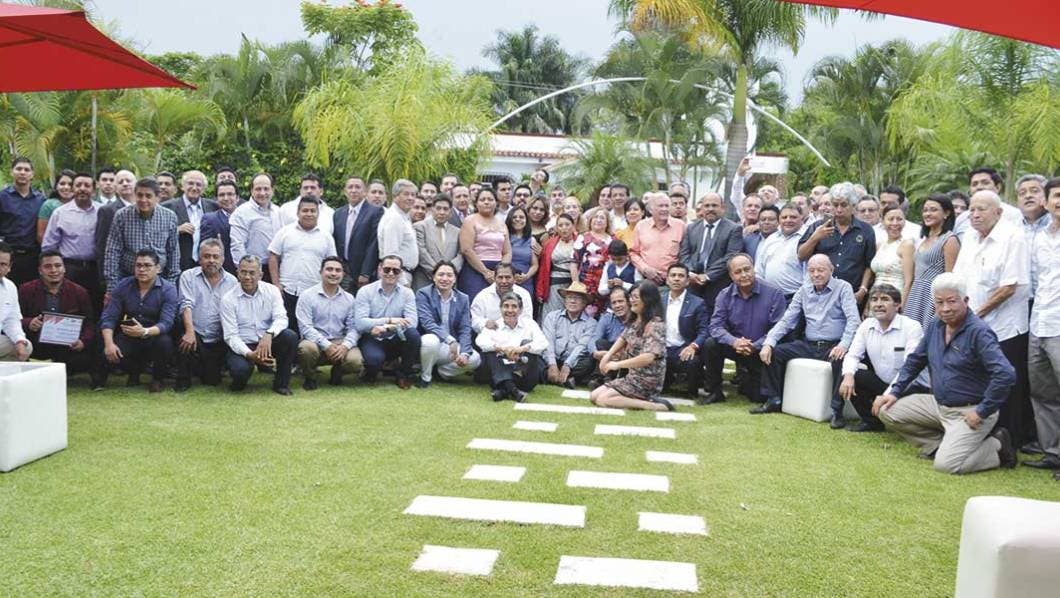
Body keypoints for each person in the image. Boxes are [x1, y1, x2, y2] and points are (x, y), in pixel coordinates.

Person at [874, 273, 1017, 474]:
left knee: (947, 466)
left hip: (969, 411)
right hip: (939, 405)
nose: (945, 308)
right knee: (887, 410)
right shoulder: (936, 324)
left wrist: (982, 411)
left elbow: (1006, 374)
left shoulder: (979, 332)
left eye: (952, 301)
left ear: (965, 301)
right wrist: (894, 392)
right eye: (939, 302)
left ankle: (997, 446)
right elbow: (915, 360)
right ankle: (937, 446)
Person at [953, 189, 1033, 450]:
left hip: (1004, 327)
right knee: (979, 380)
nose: (975, 214)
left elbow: (1009, 287)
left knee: (1005, 382)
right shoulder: (969, 237)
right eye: (972, 209)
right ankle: (983, 436)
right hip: (973, 324)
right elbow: (959, 278)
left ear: (998, 212)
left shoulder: (1013, 237)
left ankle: (1010, 441)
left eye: (982, 209)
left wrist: (975, 315)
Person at [755, 255, 861, 427]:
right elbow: (787, 320)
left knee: (841, 359)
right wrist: (769, 342)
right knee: (774, 352)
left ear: (831, 270)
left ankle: (837, 410)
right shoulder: (803, 290)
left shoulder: (843, 287)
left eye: (821, 270)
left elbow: (853, 320)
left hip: (833, 345)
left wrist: (843, 345)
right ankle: (773, 399)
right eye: (812, 270)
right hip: (808, 345)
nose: (816, 274)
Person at [838, 284, 927, 432]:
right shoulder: (866, 325)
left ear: (897, 305)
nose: (878, 304)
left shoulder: (912, 327)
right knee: (852, 375)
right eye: (874, 299)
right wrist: (848, 376)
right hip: (883, 383)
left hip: (908, 387)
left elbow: (909, 369)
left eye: (885, 299)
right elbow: (852, 355)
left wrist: (888, 395)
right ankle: (872, 423)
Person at [702, 254, 786, 405]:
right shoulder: (724, 295)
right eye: (738, 272)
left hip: (761, 350)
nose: (744, 275)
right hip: (735, 346)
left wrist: (756, 345)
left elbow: (778, 328)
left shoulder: (774, 293)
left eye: (747, 269)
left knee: (757, 397)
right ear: (731, 275)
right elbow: (715, 326)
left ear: (754, 269)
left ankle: (746, 380)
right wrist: (734, 342)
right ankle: (715, 391)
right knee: (710, 344)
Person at [99, 249, 178, 392]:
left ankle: (158, 379)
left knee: (165, 343)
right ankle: (131, 372)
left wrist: (144, 331)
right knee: (105, 343)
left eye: (147, 265)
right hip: (129, 334)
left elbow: (166, 323)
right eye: (138, 265)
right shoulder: (123, 285)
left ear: (158, 268)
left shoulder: (168, 289)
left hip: (154, 334)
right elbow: (109, 317)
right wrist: (109, 344)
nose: (142, 269)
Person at [220, 255, 299, 395]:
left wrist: (269, 334)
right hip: (244, 344)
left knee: (290, 336)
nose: (247, 277)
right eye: (243, 272)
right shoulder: (228, 299)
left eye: (252, 273)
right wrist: (250, 354)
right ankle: (241, 378)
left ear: (261, 275)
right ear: (237, 273)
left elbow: (281, 318)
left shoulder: (272, 291)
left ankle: (281, 384)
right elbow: (231, 336)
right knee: (240, 371)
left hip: (267, 341)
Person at [591, 280, 674, 411]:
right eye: (631, 297)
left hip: (647, 380)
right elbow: (623, 338)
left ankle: (654, 406)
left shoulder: (656, 325)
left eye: (636, 297)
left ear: (647, 299)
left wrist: (617, 365)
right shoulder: (635, 320)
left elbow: (648, 357)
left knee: (603, 400)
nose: (632, 300)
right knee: (594, 396)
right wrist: (607, 356)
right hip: (632, 377)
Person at [1027, 177, 1060, 473]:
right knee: (1043, 393)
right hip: (1039, 323)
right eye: (1056, 196)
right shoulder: (1039, 238)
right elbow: (1036, 282)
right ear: (1046, 202)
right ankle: (1052, 452)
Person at [18, 251, 95, 377]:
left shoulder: (79, 292)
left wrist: (83, 341)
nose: (54, 270)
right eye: (48, 266)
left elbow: (89, 323)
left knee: (84, 358)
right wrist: (29, 322)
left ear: (64, 268)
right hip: (36, 342)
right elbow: (14, 319)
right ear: (40, 270)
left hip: (67, 347)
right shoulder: (25, 290)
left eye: (58, 266)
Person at [175, 239, 238, 392]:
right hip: (194, 331)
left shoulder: (232, 281)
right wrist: (189, 332)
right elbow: (186, 305)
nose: (211, 260)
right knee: (183, 337)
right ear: (199, 258)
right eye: (206, 256)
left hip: (218, 338)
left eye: (216, 256)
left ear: (223, 259)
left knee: (212, 381)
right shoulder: (188, 276)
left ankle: (204, 368)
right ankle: (183, 379)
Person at [798, 182, 876, 305]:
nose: (839, 209)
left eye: (844, 205)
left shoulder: (865, 230)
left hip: (852, 295)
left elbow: (869, 264)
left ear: (853, 206)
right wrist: (815, 238)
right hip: (820, 295)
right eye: (835, 205)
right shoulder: (818, 227)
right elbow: (801, 256)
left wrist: (863, 289)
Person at [268, 197, 337, 331]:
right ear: (298, 212)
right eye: (305, 210)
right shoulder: (285, 232)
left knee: (311, 331)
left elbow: (332, 263)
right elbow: (273, 256)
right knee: (287, 331)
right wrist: (276, 284)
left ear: (318, 213)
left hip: (314, 293)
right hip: (287, 291)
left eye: (313, 211)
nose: (309, 214)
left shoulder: (326, 237)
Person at [295, 256, 363, 390]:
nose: (333, 273)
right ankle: (310, 377)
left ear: (343, 274)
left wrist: (345, 346)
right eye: (329, 269)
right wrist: (327, 345)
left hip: (340, 341)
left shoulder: (349, 299)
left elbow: (354, 327)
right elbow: (305, 327)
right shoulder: (307, 296)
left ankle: (338, 371)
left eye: (338, 270)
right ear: (321, 272)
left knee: (356, 361)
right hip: (315, 342)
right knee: (306, 349)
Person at [103, 177, 180, 293]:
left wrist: (171, 283)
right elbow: (113, 251)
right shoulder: (122, 216)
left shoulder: (169, 217)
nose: (143, 200)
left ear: (157, 197)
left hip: (160, 279)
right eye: (140, 195)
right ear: (135, 195)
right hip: (128, 278)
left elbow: (173, 251)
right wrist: (112, 287)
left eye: (148, 196)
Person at [354, 255, 421, 389]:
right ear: (379, 269)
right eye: (387, 269)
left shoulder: (407, 293)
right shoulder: (365, 291)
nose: (391, 273)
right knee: (374, 360)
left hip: (396, 336)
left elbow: (412, 322)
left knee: (413, 335)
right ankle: (371, 371)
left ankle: (403, 374)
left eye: (395, 270)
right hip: (372, 337)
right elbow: (360, 323)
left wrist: (387, 327)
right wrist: (389, 320)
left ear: (400, 273)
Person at [415, 261, 480, 388]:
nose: (445, 279)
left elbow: (465, 328)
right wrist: (450, 340)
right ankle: (425, 377)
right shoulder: (423, 294)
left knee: (475, 358)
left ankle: (441, 372)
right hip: (429, 346)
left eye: (449, 275)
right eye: (441, 275)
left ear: (455, 279)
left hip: (450, 349)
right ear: (433, 277)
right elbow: (428, 323)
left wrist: (464, 353)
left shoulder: (463, 298)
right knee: (430, 340)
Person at [476, 291, 548, 402]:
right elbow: (480, 341)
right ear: (500, 309)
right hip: (500, 369)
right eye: (506, 306)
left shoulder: (530, 324)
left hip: (524, 375)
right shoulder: (494, 325)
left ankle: (503, 390)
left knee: (529, 345)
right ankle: (513, 391)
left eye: (514, 306)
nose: (510, 310)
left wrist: (521, 349)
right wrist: (502, 349)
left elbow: (543, 342)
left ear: (521, 310)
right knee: (489, 352)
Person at [680, 191, 743, 313]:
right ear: (702, 208)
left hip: (718, 286)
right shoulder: (691, 228)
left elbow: (731, 257)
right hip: (693, 285)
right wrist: (691, 273)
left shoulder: (733, 229)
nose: (710, 209)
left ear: (723, 208)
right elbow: (684, 254)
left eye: (714, 205)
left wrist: (707, 276)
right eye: (707, 206)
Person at [41, 172, 100, 301]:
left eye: (87, 185)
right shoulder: (60, 213)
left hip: (95, 269)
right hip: (69, 268)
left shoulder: (102, 211)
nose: (82, 188)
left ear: (94, 190)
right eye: (78, 185)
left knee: (95, 305)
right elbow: (49, 245)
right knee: (69, 305)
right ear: (73, 188)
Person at [904, 194, 960, 327]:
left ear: (946, 213)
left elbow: (950, 278)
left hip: (933, 297)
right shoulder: (923, 239)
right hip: (916, 294)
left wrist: (942, 306)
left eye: (933, 210)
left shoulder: (949, 240)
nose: (928, 214)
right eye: (925, 210)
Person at [660, 263, 709, 399]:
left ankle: (691, 390)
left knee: (693, 361)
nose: (676, 279)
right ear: (667, 280)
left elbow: (704, 330)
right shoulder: (659, 301)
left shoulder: (697, 303)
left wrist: (693, 346)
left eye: (681, 276)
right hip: (661, 348)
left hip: (683, 349)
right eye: (673, 275)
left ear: (687, 281)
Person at [229, 173, 284, 282]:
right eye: (258, 189)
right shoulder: (241, 213)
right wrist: (245, 272)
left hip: (276, 270)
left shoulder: (278, 211)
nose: (262, 193)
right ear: (252, 191)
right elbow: (237, 246)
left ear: (272, 190)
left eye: (266, 189)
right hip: (252, 270)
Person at [457, 188, 511, 300]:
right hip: (475, 269)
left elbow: (507, 252)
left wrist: (501, 271)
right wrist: (485, 272)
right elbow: (466, 249)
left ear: (496, 202)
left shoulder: (502, 223)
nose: (486, 202)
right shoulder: (470, 220)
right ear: (476, 203)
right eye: (482, 199)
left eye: (490, 199)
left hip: (498, 270)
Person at [333, 175, 383, 294]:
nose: (354, 190)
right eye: (350, 187)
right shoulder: (338, 213)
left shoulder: (375, 212)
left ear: (365, 191)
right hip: (343, 270)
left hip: (362, 272)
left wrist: (365, 273)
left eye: (357, 187)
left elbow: (373, 244)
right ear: (345, 191)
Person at [0, 157, 46, 286]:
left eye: (26, 170)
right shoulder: (2, 197)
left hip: (32, 257)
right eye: (19, 169)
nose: (22, 172)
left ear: (32, 174)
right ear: (12, 172)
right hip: (7, 256)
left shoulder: (41, 200)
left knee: (30, 292)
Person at [541, 282, 596, 389]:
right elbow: (548, 342)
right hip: (553, 358)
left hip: (574, 362)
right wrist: (552, 364)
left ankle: (554, 377)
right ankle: (566, 379)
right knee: (537, 359)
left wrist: (567, 365)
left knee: (589, 361)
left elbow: (582, 347)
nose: (573, 301)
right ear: (565, 300)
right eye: (570, 297)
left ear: (584, 303)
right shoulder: (552, 317)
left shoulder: (591, 323)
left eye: (577, 298)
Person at [161, 170, 218, 272]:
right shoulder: (167, 207)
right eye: (190, 183)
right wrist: (177, 230)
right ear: (182, 186)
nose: (194, 188)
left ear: (204, 188)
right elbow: (158, 234)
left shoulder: (213, 207)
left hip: (206, 265)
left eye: (198, 184)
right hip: (177, 264)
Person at [631, 193, 685, 285]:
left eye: (667, 206)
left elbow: (685, 254)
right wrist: (645, 269)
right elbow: (633, 253)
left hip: (673, 281)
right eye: (660, 206)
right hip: (647, 280)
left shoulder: (680, 226)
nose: (664, 209)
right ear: (651, 210)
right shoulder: (641, 226)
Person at [93, 169, 136, 284]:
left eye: (128, 181)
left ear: (136, 184)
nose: (125, 184)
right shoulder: (107, 210)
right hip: (119, 272)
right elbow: (102, 245)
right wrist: (105, 277)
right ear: (116, 187)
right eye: (120, 182)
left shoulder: (144, 207)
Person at [953, 167, 1023, 237]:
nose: (979, 187)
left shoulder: (1014, 215)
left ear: (998, 187)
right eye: (974, 184)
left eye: (985, 183)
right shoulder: (962, 219)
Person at [413, 194, 463, 290]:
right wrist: (437, 272)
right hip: (425, 279)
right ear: (432, 209)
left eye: (445, 209)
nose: (442, 212)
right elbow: (421, 252)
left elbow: (460, 254)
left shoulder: (457, 231)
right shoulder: (420, 227)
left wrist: (449, 272)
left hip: (449, 282)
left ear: (450, 212)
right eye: (438, 208)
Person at [470, 262, 533, 333]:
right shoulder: (482, 296)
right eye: (500, 277)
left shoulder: (524, 294)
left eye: (507, 277)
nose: (504, 281)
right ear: (494, 278)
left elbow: (527, 320)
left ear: (514, 278)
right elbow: (474, 320)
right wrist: (485, 323)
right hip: (490, 335)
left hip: (517, 335)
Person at [871, 206, 915, 306]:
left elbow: (909, 281)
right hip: (875, 298)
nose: (895, 223)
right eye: (891, 219)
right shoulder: (879, 245)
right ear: (883, 221)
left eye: (899, 219)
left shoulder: (907, 245)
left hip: (895, 298)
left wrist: (901, 305)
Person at [536, 213, 578, 316]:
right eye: (560, 225)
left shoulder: (580, 242)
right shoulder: (550, 244)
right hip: (553, 286)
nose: (564, 228)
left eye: (567, 224)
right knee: (552, 315)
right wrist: (540, 290)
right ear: (557, 228)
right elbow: (543, 268)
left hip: (574, 285)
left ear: (573, 226)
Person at [573, 208, 612, 317]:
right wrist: (576, 285)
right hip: (584, 285)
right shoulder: (583, 238)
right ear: (590, 220)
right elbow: (573, 262)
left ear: (607, 223)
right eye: (596, 217)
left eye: (602, 218)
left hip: (603, 286)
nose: (598, 220)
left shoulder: (612, 240)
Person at [1016, 174, 1050, 298]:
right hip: (1022, 301)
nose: (1028, 196)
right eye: (1022, 193)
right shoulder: (1012, 229)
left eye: (1034, 191)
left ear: (1047, 196)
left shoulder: (1055, 225)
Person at [198, 180, 239, 275]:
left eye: (230, 194)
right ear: (216, 199)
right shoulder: (210, 219)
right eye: (221, 195)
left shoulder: (247, 217)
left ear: (237, 198)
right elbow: (205, 250)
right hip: (222, 272)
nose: (226, 198)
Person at [589, 286, 629, 381]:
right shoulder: (607, 318)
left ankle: (600, 378)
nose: (617, 305)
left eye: (620, 301)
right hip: (609, 355)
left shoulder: (636, 319)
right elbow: (594, 338)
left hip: (628, 357)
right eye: (614, 303)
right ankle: (605, 377)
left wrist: (622, 353)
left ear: (628, 302)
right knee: (600, 343)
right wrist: (595, 353)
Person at [506, 206, 538, 297]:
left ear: (526, 220)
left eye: (521, 217)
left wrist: (526, 276)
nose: (518, 219)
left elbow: (535, 265)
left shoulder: (531, 240)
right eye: (514, 217)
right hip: (507, 281)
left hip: (526, 282)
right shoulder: (505, 237)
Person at [36, 169, 74, 243]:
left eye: (70, 184)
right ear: (56, 186)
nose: (66, 187)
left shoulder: (82, 205)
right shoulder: (49, 205)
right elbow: (41, 235)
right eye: (62, 184)